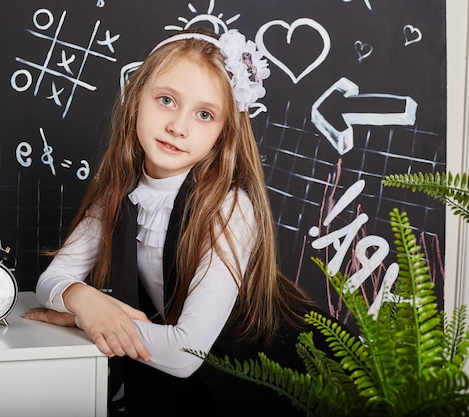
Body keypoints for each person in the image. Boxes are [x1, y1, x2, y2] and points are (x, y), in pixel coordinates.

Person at [23, 27, 327, 416]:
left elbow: (185, 354)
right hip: (195, 393)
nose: (178, 126)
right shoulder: (116, 194)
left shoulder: (229, 207)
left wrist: (89, 320)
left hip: (283, 386)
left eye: (204, 114)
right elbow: (52, 279)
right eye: (166, 100)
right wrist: (83, 299)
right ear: (136, 100)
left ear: (223, 133)